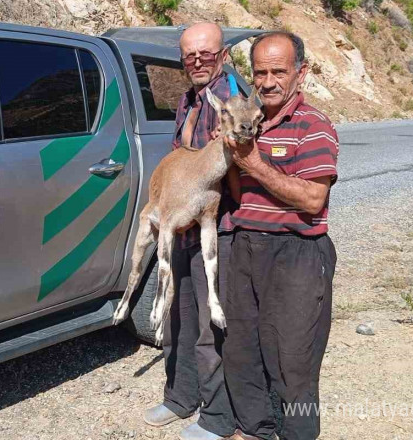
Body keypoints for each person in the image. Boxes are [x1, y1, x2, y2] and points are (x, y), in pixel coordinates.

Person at [221, 31, 339, 440]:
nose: (268, 81)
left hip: (296, 254)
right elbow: (241, 197)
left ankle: (298, 434)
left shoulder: (314, 125)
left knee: (293, 358)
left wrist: (252, 162)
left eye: (278, 72)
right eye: (259, 72)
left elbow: (312, 199)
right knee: (242, 349)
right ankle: (254, 429)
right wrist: (237, 163)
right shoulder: (252, 124)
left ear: (301, 73)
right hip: (246, 246)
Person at [142, 22, 238, 440]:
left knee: (209, 324)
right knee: (176, 313)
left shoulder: (237, 100)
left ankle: (218, 416)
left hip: (217, 228)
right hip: (180, 226)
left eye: (207, 54)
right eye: (190, 56)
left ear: (223, 56)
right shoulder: (188, 100)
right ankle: (181, 397)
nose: (198, 61)